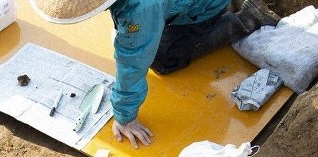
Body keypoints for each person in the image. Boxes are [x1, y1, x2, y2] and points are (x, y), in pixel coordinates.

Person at [28, 0, 281, 148]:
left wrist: (125, 115)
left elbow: (134, 60)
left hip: (205, 5)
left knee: (163, 58)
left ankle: (244, 19)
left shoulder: (141, 7)